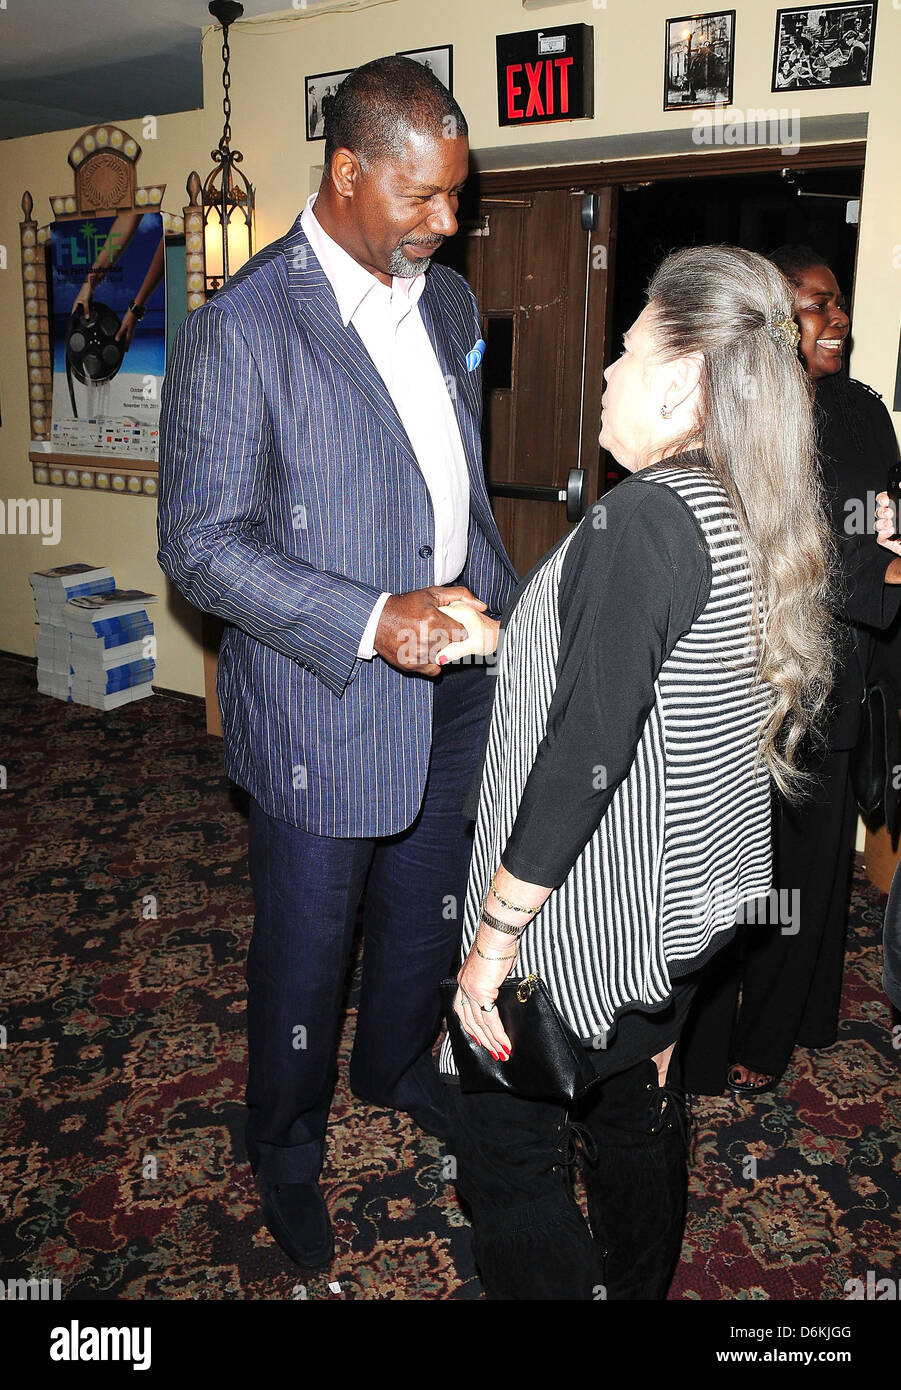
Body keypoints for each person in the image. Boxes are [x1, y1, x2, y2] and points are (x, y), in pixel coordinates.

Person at [157, 56, 517, 1270]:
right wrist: (371, 620)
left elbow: (460, 487)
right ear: (346, 171)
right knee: (307, 955)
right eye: (423, 197)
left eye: (456, 196)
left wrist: (513, 620)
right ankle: (287, 1147)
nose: (447, 222)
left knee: (425, 916)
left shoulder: (451, 304)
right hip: (325, 702)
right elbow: (201, 548)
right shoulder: (242, 327)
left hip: (459, 686)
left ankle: (397, 1062)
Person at [437, 245, 835, 1300]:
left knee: (508, 1165)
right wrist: (500, 634)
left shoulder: (643, 519)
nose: (606, 373)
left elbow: (584, 755)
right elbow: (650, 669)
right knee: (635, 1107)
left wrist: (489, 944)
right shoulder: (738, 507)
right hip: (681, 910)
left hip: (584, 915)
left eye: (622, 350)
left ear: (677, 379)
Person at [681, 244, 901, 1097]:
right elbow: (764, 549)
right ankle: (695, 1047)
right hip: (754, 673)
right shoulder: (739, 413)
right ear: (773, 315)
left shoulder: (862, 410)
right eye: (815, 304)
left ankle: (774, 1034)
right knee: (730, 870)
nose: (834, 319)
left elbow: (875, 516)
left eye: (838, 303)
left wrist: (888, 538)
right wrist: (876, 570)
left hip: (842, 672)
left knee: (809, 874)